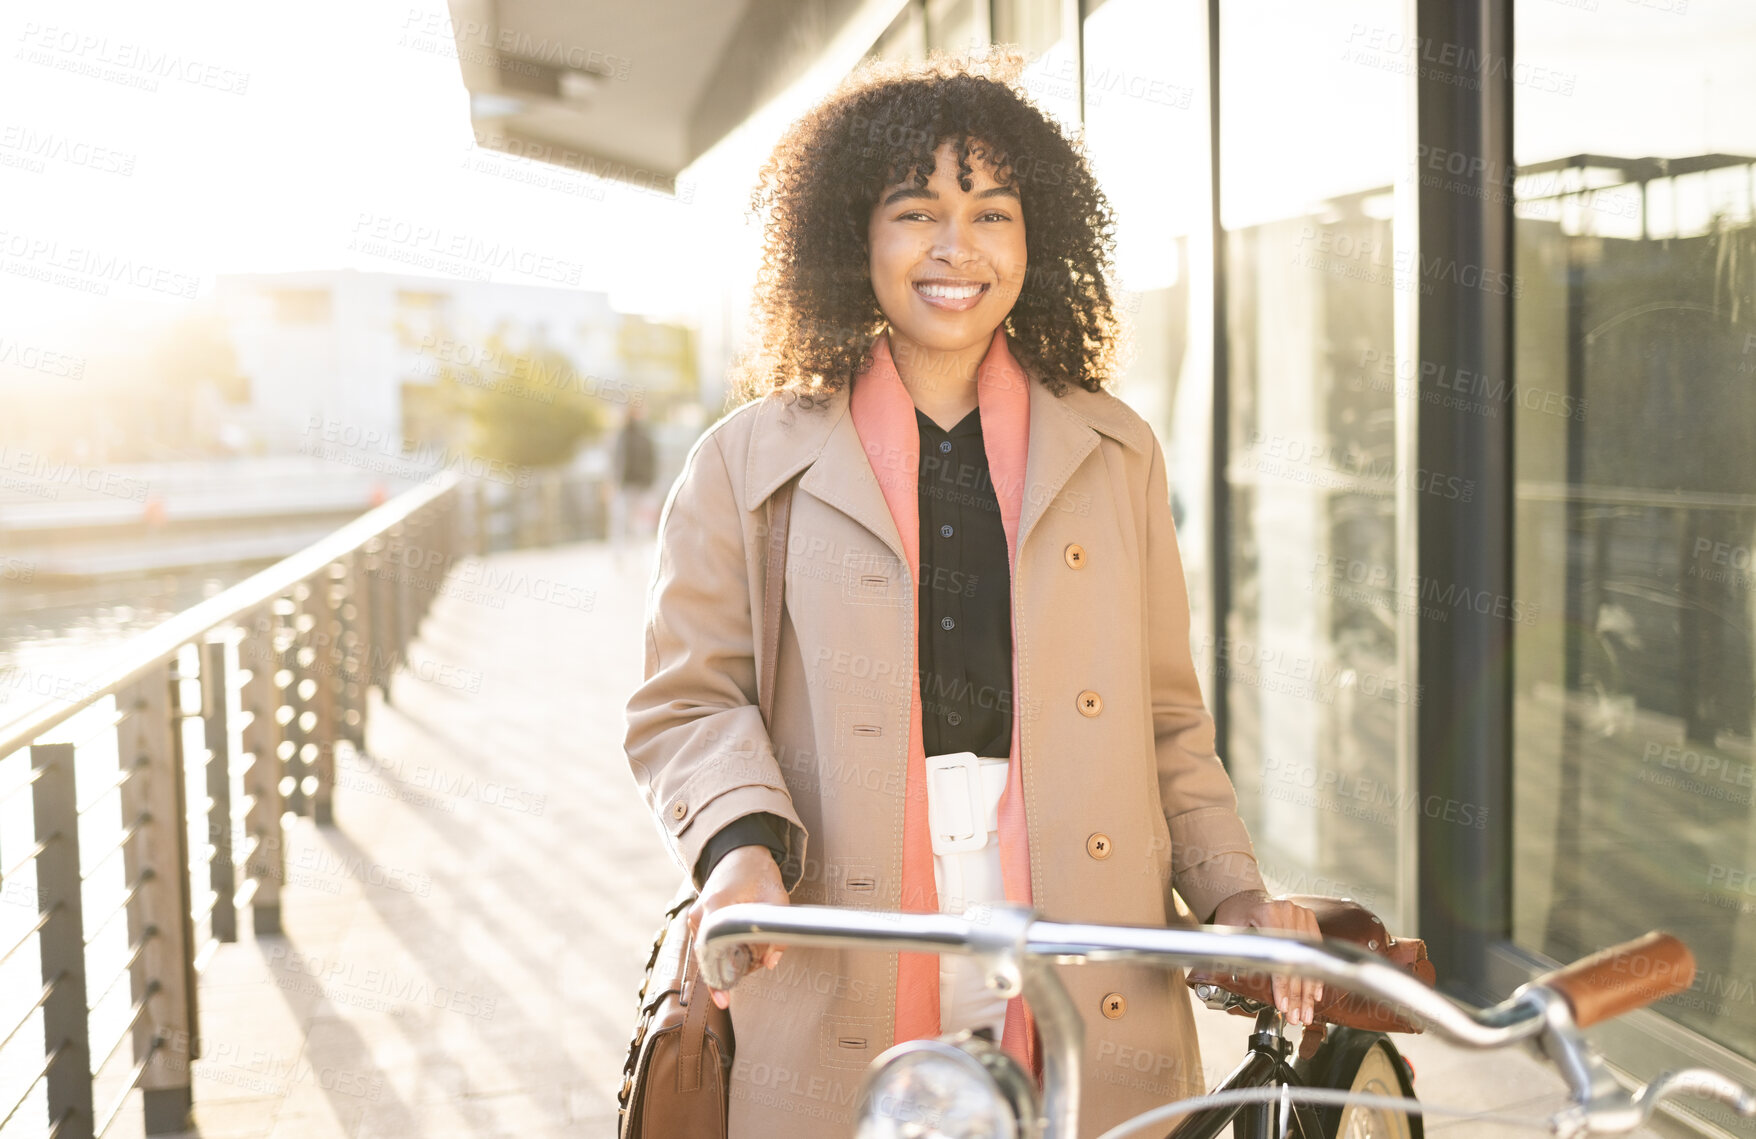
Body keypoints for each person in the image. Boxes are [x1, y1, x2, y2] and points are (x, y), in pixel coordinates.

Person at [624, 49, 1321, 1139]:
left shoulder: (1114, 448)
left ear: (1036, 238)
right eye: (916, 213)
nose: (958, 248)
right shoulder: (743, 461)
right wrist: (740, 848)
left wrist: (1231, 888)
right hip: (837, 921)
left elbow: (1164, 714)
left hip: (1083, 909)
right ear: (853, 236)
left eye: (993, 212)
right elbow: (689, 700)